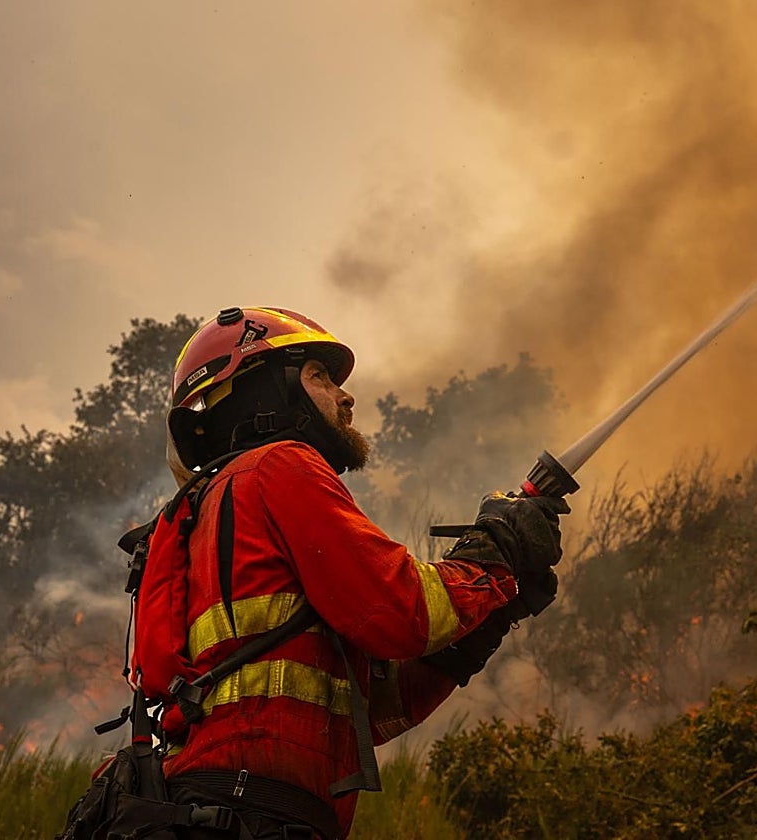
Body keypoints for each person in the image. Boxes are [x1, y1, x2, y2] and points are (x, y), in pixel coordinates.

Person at [141, 306, 567, 839]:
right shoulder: (278, 467)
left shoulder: (208, 513)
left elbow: (373, 711)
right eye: (319, 376)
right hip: (258, 815)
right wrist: (493, 554)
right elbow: (402, 612)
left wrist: (490, 617)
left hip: (230, 809)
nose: (347, 397)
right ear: (265, 390)